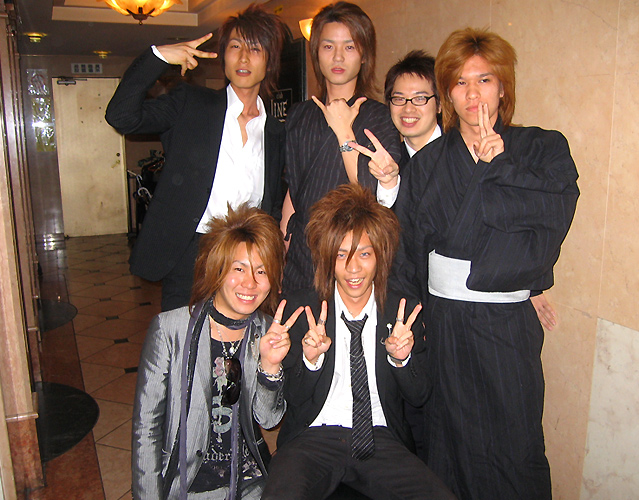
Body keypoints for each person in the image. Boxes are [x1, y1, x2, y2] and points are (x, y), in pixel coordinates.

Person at [392, 28, 580, 500]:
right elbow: (408, 252)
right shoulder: (428, 164)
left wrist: (502, 169)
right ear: (448, 94)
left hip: (506, 325)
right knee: (447, 439)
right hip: (444, 323)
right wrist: (410, 324)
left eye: (484, 79)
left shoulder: (541, 147)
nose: (472, 92)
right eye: (460, 82)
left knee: (514, 439)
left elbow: (555, 213)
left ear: (503, 88)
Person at [262, 184, 456, 500]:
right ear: (327, 259)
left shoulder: (401, 311)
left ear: (380, 255)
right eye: (341, 255)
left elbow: (419, 395)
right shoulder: (303, 310)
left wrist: (402, 359)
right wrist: (311, 361)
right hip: (312, 440)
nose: (353, 268)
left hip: (381, 439)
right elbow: (294, 398)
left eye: (364, 254)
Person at [106, 4, 288, 311]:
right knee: (183, 335)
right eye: (235, 46)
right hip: (189, 254)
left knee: (238, 336)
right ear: (224, 56)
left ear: (269, 61)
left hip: (246, 258)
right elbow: (121, 116)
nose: (243, 57)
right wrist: (158, 57)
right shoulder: (191, 104)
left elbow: (270, 202)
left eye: (255, 49)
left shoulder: (275, 132)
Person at [132, 204, 304, 500]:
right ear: (217, 269)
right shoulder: (170, 330)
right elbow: (146, 430)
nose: (250, 283)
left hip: (248, 481)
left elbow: (268, 419)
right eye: (239, 268)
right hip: (185, 482)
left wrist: (270, 367)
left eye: (261, 271)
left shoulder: (267, 331)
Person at [281, 1, 401, 294]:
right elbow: (294, 190)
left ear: (364, 55)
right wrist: (281, 252)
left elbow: (375, 196)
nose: (337, 56)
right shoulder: (299, 115)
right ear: (316, 53)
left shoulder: (379, 116)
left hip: (353, 258)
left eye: (349, 46)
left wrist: (343, 130)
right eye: (328, 46)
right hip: (302, 257)